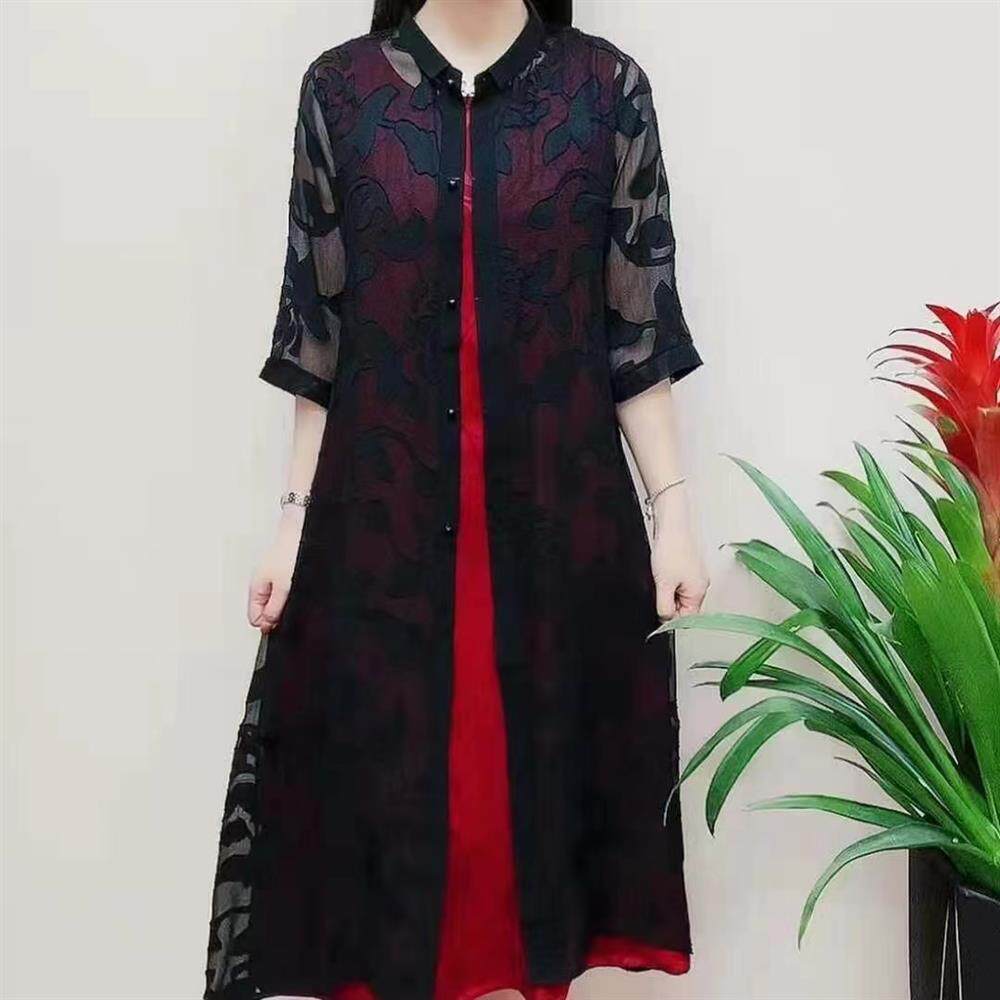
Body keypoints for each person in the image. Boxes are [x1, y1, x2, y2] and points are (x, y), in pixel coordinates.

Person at [203, 1, 709, 998]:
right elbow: (317, 336)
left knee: (534, 841)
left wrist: (675, 516)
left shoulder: (605, 90)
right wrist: (290, 522)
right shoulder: (339, 92)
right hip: (379, 541)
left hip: (559, 543)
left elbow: (637, 329)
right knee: (386, 842)